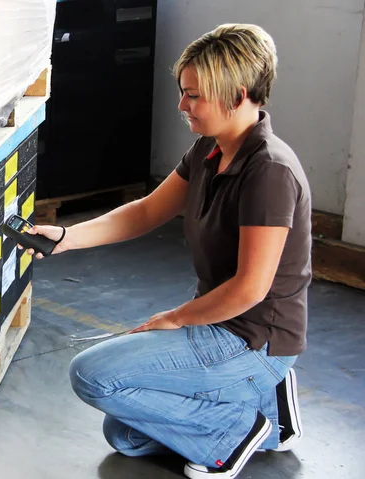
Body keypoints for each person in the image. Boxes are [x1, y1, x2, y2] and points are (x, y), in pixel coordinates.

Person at [22, 23, 310, 479]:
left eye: (193, 95)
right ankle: (267, 414)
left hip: (252, 340)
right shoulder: (209, 151)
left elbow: (251, 289)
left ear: (235, 95)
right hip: (221, 323)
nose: (181, 105)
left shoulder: (269, 172)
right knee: (125, 436)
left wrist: (175, 318)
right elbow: (144, 213)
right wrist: (66, 237)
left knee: (93, 377)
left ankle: (233, 430)